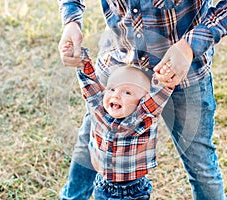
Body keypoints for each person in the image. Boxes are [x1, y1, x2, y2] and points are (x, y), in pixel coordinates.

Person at [57, 0, 227, 199]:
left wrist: (190, 45)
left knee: (200, 164)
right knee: (89, 142)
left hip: (184, 74)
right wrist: (71, 21)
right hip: (119, 63)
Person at [61, 44, 174, 199]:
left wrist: (166, 77)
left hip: (132, 192)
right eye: (112, 89)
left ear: (142, 100)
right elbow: (90, 85)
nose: (116, 95)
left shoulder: (141, 118)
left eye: (127, 92)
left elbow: (158, 95)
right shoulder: (99, 111)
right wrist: (81, 60)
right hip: (101, 185)